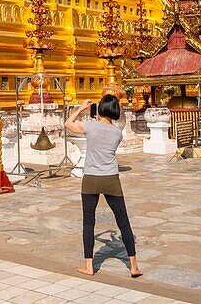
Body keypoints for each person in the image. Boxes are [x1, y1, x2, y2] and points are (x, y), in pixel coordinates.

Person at [65, 95, 141, 278]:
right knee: (123, 221)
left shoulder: (90, 126)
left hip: (91, 177)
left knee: (89, 222)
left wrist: (82, 108)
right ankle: (133, 266)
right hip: (111, 178)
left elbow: (68, 123)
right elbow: (110, 127)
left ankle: (89, 266)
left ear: (100, 109)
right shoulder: (118, 133)